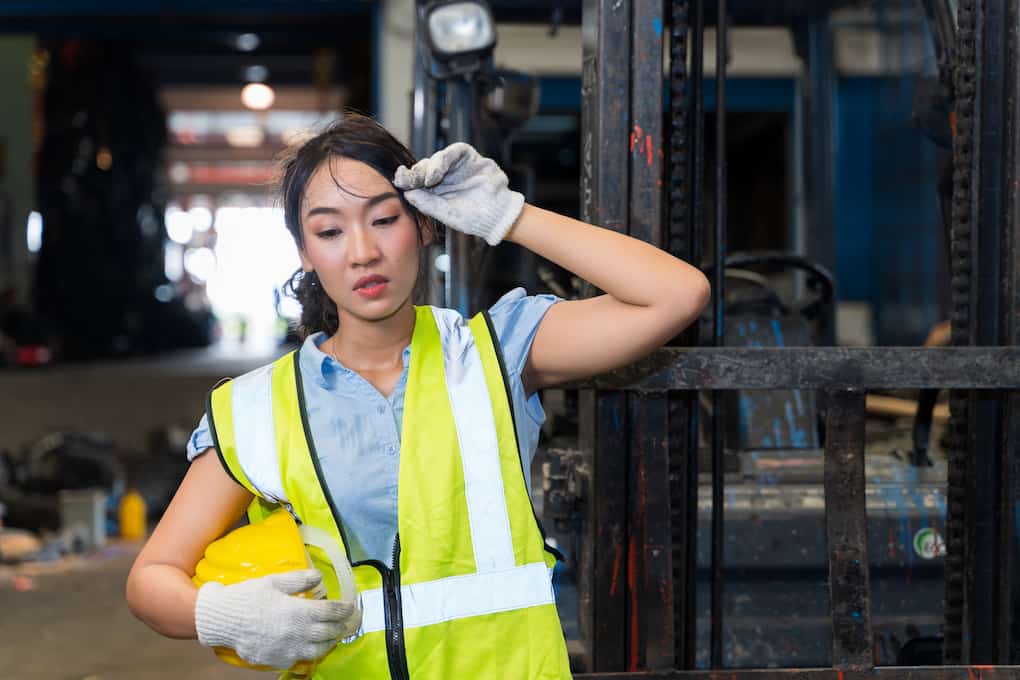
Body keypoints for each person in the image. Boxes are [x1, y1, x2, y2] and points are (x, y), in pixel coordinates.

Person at [125, 113, 710, 679]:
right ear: (305, 253)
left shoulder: (495, 353)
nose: (362, 252)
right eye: (329, 231)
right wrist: (221, 616)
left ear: (425, 224)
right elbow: (152, 578)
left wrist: (512, 216)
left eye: (384, 220)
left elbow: (677, 294)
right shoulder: (254, 409)